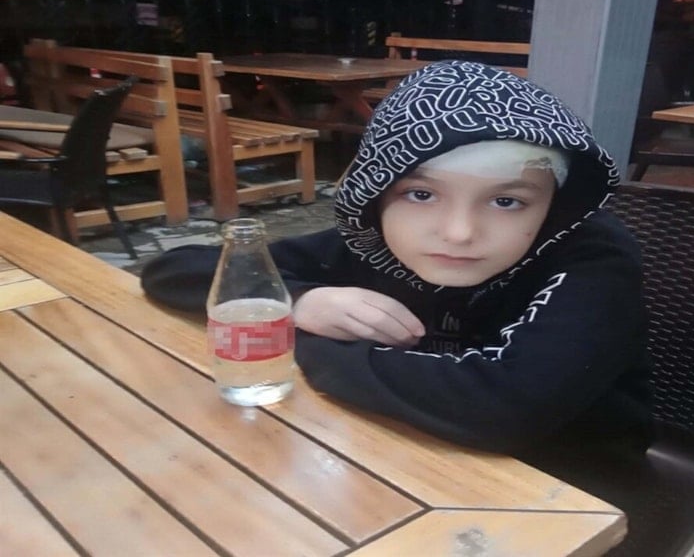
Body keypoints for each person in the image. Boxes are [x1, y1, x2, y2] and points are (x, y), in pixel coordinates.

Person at [142, 60, 651, 458]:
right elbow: (175, 269)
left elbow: (506, 408)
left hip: (574, 483)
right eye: (421, 195)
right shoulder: (373, 244)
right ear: (375, 195)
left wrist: (304, 342)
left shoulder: (591, 260)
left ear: (554, 206)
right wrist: (300, 302)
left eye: (506, 201)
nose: (458, 233)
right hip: (392, 448)